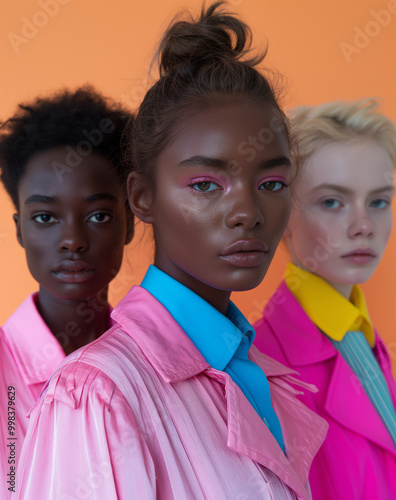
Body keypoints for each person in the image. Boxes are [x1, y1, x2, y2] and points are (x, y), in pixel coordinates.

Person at [17, 4, 327, 499]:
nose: (247, 211)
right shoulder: (98, 393)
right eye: (206, 184)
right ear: (142, 198)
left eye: (271, 181)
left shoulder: (256, 370)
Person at [253, 98, 396, 500]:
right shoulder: (262, 366)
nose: (363, 226)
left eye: (379, 201)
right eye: (332, 201)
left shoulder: (361, 335)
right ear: (281, 216)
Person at [0, 86, 134, 496]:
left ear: (129, 222)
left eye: (98, 214)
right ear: (20, 228)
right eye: (45, 217)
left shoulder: (153, 359)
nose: (72, 240)